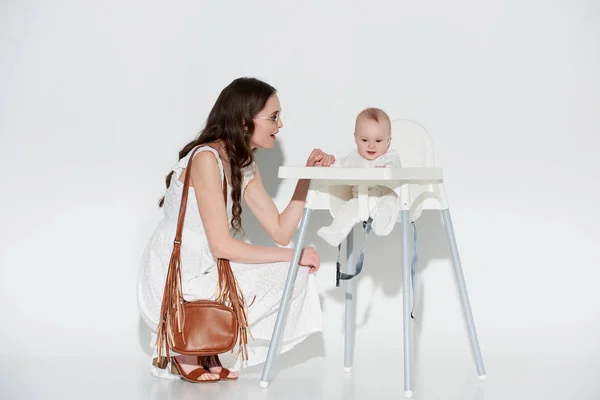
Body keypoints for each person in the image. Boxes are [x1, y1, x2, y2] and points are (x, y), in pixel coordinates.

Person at [137, 77, 335, 383]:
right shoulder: (206, 159)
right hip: (177, 274)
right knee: (292, 263)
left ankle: (205, 345)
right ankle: (185, 349)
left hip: (209, 265)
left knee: (294, 274)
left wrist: (307, 177)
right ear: (244, 122)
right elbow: (222, 246)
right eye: (273, 117)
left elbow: (281, 230)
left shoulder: (243, 165)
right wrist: (294, 254)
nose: (279, 125)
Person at [317, 107, 401, 247]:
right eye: (364, 140)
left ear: (388, 141)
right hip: (360, 199)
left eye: (378, 141)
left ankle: (382, 224)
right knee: (346, 210)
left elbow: (395, 168)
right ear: (355, 138)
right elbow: (337, 166)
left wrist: (386, 170)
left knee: (389, 204)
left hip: (383, 195)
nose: (371, 145)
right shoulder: (352, 158)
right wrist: (326, 162)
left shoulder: (389, 157)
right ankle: (335, 232)